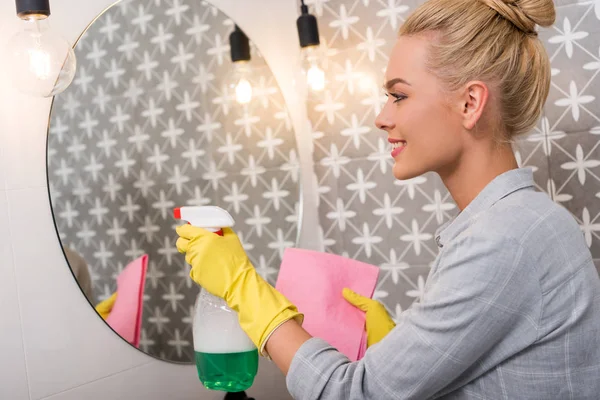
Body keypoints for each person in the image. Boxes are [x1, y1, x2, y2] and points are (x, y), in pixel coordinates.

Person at [175, 0, 600, 398]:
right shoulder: (522, 223)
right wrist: (401, 345)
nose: (382, 117)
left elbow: (350, 393)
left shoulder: (505, 239)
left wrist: (244, 290)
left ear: (470, 103)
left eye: (399, 95)